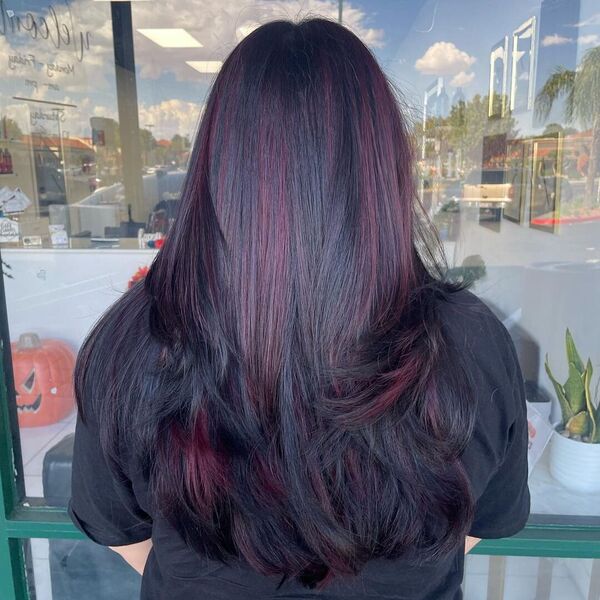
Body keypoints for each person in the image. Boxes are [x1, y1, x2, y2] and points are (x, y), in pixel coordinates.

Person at [68, 17, 530, 600]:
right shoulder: (469, 343)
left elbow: (119, 531)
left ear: (217, 165)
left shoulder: (135, 343)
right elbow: (479, 524)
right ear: (385, 169)